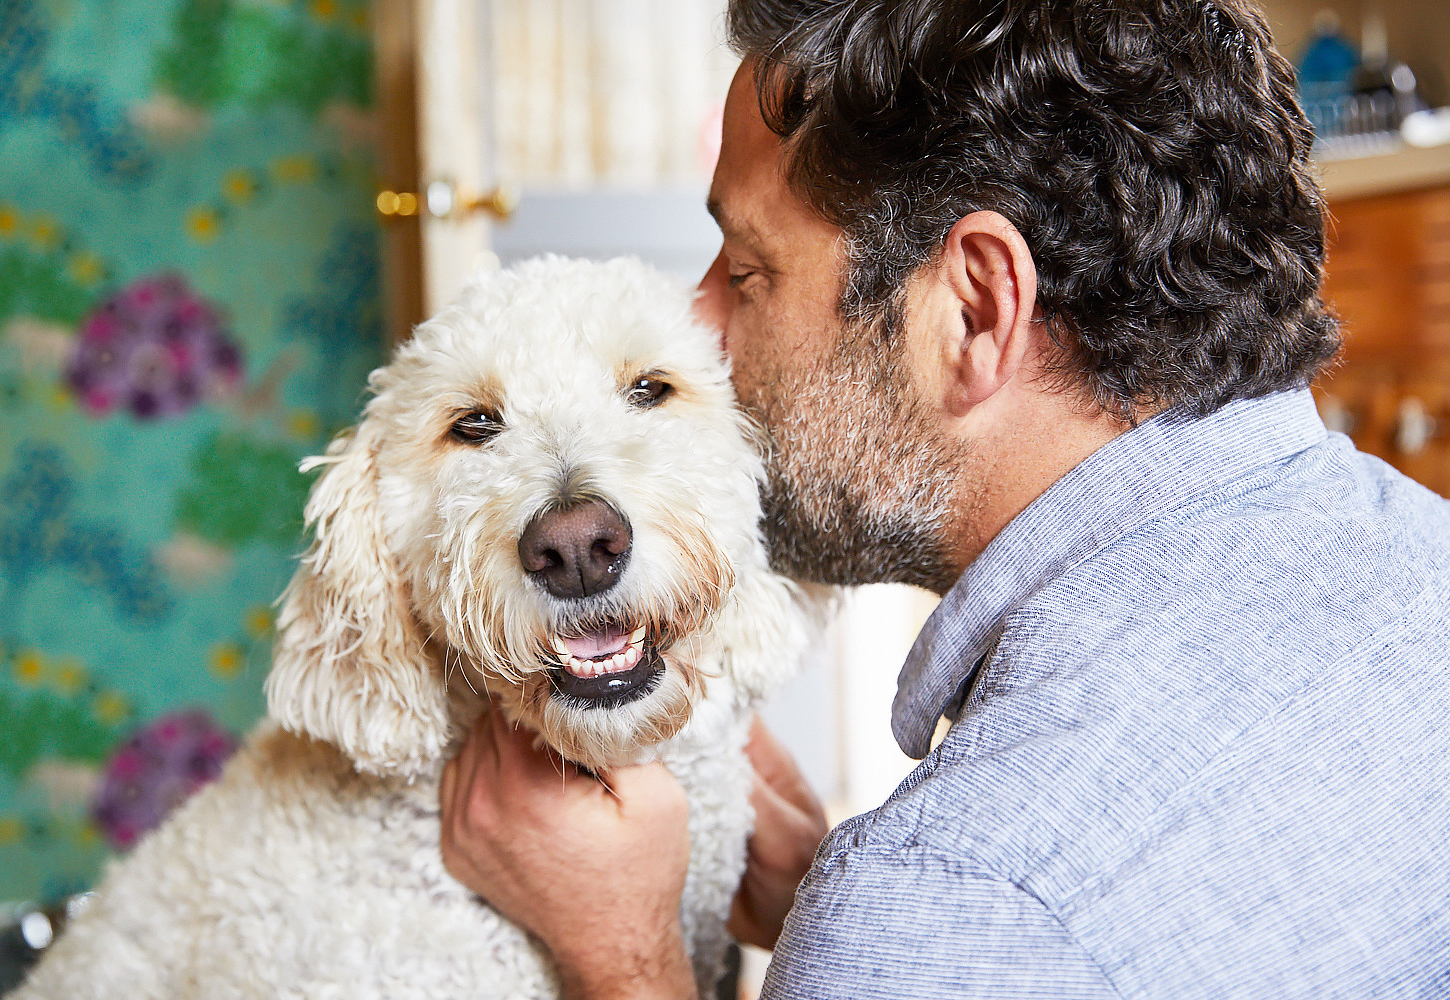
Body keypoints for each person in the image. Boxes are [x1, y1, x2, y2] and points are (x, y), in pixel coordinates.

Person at [440, 1, 1450, 997]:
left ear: (972, 311)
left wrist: (623, 956)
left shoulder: (952, 902)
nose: (690, 326)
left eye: (745, 271)